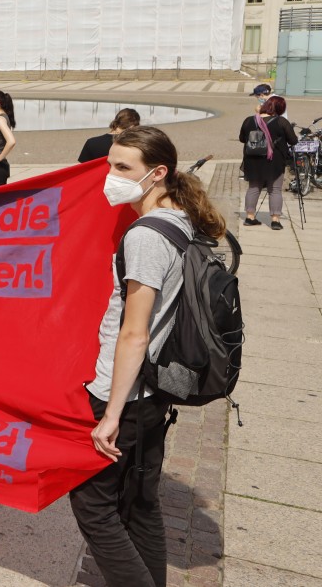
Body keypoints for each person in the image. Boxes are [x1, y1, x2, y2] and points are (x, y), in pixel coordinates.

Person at [70, 125, 226, 587]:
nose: (110, 176)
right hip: (154, 391)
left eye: (122, 168)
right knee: (140, 503)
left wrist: (111, 414)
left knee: (94, 507)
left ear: (157, 173)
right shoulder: (180, 218)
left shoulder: (144, 236)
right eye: (109, 164)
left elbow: (134, 333)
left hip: (125, 393)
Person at [239, 94, 296, 230]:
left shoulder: (249, 120)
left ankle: (249, 217)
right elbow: (293, 140)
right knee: (275, 189)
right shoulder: (281, 121)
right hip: (274, 160)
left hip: (253, 159)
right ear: (279, 108)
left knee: (253, 188)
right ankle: (275, 220)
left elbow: (242, 138)